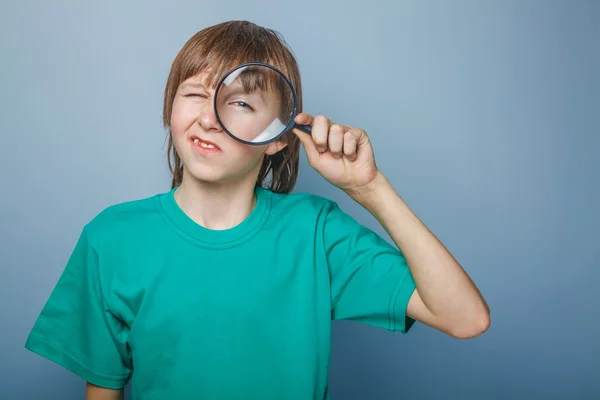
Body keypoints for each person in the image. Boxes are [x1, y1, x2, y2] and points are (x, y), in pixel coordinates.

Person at [24, 20, 490, 400]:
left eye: (240, 102)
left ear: (279, 136)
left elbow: (465, 317)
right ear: (170, 106)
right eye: (193, 94)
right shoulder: (112, 238)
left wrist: (370, 188)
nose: (209, 117)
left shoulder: (315, 233)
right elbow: (102, 389)